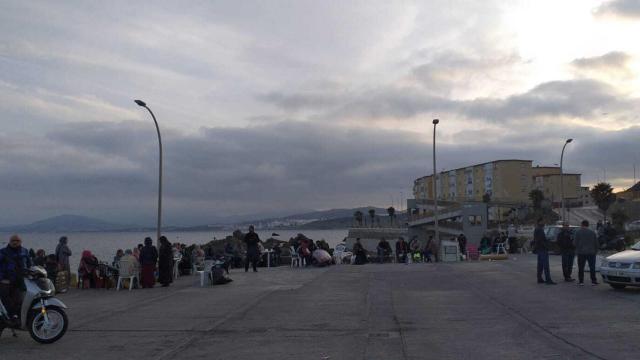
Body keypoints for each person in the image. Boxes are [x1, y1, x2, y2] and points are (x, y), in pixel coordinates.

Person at [0, 235, 32, 323]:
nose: (15, 242)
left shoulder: (25, 251)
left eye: (17, 240)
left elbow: (29, 264)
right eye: (13, 240)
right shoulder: (3, 252)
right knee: (6, 298)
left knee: (19, 300)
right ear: (9, 241)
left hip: (21, 280)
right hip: (6, 280)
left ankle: (16, 317)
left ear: (20, 241)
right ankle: (9, 317)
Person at [574, 220, 599, 286]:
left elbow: (575, 243)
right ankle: (593, 281)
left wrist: (577, 249)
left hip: (581, 252)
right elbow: (596, 242)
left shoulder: (578, 232)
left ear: (582, 224)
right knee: (592, 267)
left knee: (581, 267)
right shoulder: (592, 232)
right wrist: (596, 250)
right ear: (588, 225)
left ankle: (581, 281)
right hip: (591, 252)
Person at [533, 218, 556, 285]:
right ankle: (548, 280)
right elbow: (541, 240)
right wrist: (546, 245)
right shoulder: (540, 229)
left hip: (539, 249)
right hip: (543, 249)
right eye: (543, 221)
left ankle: (539, 278)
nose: (544, 222)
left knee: (540, 265)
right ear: (540, 222)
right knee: (545, 265)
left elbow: (536, 239)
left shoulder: (537, 229)